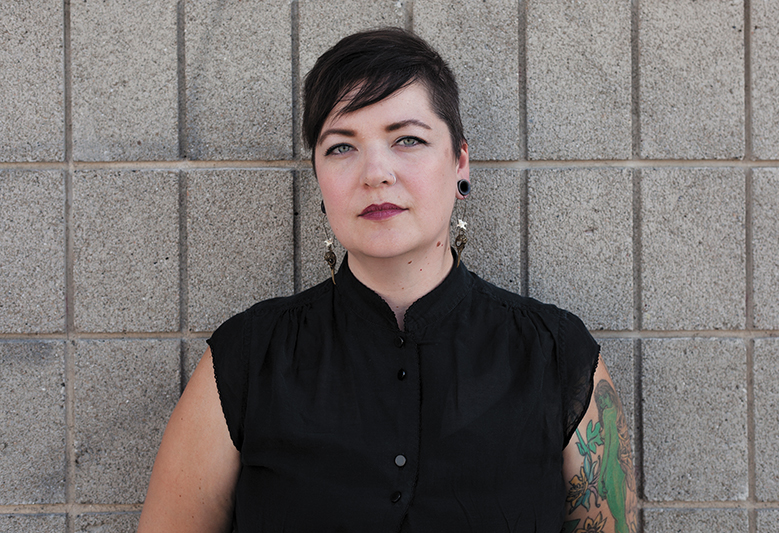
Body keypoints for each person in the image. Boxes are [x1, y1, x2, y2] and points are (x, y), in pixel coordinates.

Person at [138, 27, 638, 533]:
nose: (375, 172)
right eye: (341, 147)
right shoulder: (247, 359)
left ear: (460, 162)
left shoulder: (557, 356)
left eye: (407, 140)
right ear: (318, 177)